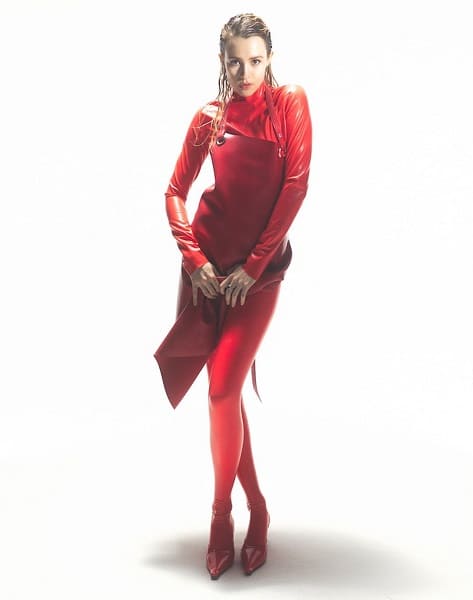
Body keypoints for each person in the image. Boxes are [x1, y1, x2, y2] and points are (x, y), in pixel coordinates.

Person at [154, 13, 312, 579]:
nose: (245, 73)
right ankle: (241, 513)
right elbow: (175, 191)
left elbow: (295, 185)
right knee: (225, 394)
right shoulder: (210, 117)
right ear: (221, 62)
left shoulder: (289, 103)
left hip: (257, 278)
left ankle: (238, 512)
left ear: (270, 59)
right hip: (208, 275)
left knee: (223, 390)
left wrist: (255, 264)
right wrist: (194, 260)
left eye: (255, 60)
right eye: (235, 62)